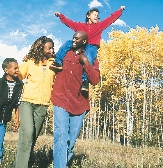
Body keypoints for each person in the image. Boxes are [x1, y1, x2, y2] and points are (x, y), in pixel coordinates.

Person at [51, 31, 100, 168]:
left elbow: (95, 80)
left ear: (84, 41)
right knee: (60, 136)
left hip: (79, 103)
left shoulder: (91, 57)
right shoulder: (64, 52)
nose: (73, 39)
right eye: (73, 37)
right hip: (60, 98)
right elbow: (49, 60)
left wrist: (85, 62)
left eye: (77, 38)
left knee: (70, 141)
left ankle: (63, 163)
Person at [50, 6, 125, 91]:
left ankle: (85, 81)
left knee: (88, 56)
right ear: (88, 16)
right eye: (94, 14)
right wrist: (61, 16)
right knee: (67, 43)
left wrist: (120, 10)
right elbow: (70, 23)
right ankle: (57, 62)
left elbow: (110, 19)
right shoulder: (81, 26)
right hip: (80, 44)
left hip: (91, 46)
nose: (96, 16)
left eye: (97, 15)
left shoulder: (99, 26)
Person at [14, 36, 56, 168]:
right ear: (40, 47)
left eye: (52, 48)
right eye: (49, 47)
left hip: (43, 105)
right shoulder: (30, 62)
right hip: (27, 103)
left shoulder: (54, 63)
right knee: (27, 134)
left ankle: (17, 164)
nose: (51, 50)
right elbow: (17, 75)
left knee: (32, 139)